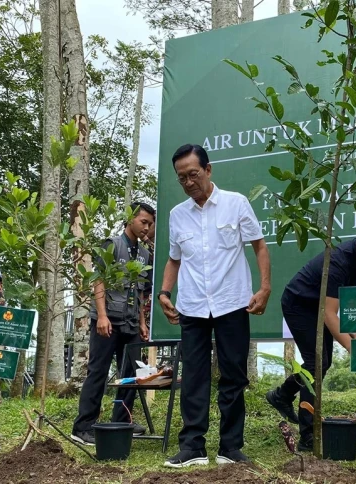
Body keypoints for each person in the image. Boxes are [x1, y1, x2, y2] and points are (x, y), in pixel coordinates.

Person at [158, 144, 271, 468]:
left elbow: (260, 247)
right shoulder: (177, 215)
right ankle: (192, 446)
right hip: (192, 306)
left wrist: (264, 288)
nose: (188, 182)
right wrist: (165, 293)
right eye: (182, 178)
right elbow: (174, 259)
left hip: (232, 302)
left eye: (193, 174)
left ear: (208, 170)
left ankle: (230, 448)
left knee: (234, 376)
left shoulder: (236, 204)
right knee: (193, 376)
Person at [265, 215, 356, 450]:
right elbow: (329, 313)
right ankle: (308, 436)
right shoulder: (339, 260)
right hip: (300, 303)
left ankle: (282, 395)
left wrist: (354, 331)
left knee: (320, 364)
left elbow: (344, 299)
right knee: (317, 362)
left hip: (320, 305)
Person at [70, 202, 155, 445]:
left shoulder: (145, 254)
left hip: (130, 322)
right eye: (143, 222)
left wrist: (142, 322)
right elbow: (98, 280)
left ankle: (122, 420)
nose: (147, 228)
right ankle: (83, 426)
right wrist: (102, 315)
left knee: (130, 374)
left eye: (150, 224)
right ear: (130, 219)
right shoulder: (112, 244)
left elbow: (140, 292)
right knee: (98, 372)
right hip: (108, 320)